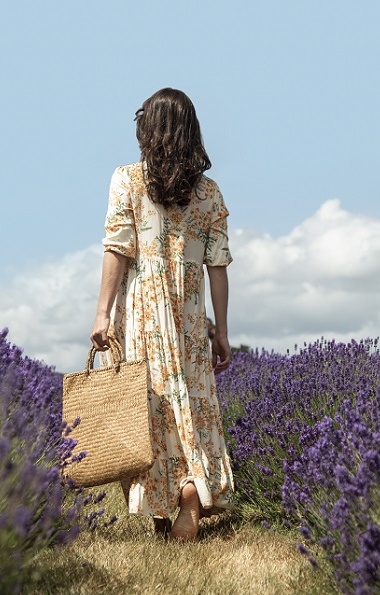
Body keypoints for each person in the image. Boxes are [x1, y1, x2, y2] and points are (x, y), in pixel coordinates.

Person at [90, 88, 235, 541]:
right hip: (191, 312)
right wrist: (221, 331)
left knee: (149, 403)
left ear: (147, 129)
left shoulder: (128, 180)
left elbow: (118, 249)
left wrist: (101, 314)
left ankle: (163, 503)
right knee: (192, 402)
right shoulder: (209, 193)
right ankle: (191, 486)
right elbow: (219, 267)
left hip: (144, 311)